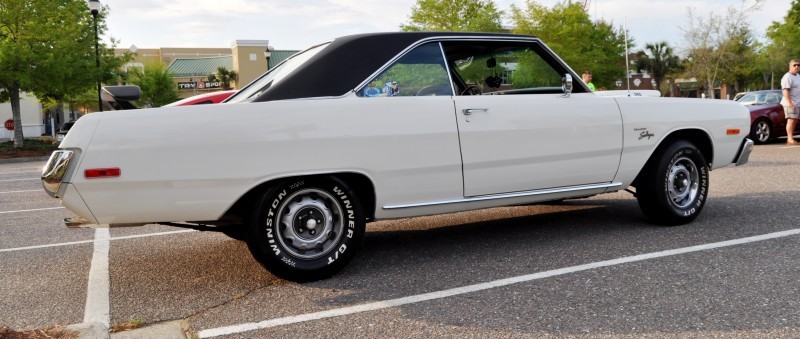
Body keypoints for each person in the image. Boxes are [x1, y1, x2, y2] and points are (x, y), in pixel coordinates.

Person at [781, 60, 800, 145]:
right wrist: (790, 102)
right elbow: (785, 90)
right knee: (791, 120)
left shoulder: (798, 76)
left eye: (798, 65)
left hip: (797, 103)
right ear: (790, 66)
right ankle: (789, 139)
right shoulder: (787, 76)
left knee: (795, 120)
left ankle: (791, 138)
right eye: (794, 65)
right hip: (790, 102)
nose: (797, 67)